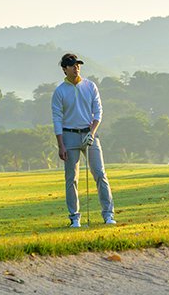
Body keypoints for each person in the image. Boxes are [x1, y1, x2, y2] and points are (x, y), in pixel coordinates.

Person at [52, 53, 115, 227]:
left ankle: (108, 214)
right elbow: (57, 119)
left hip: (90, 134)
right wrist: (61, 145)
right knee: (71, 178)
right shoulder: (59, 91)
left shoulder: (90, 86)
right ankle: (74, 218)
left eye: (78, 65)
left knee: (100, 174)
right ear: (64, 69)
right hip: (69, 136)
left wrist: (92, 132)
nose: (76, 68)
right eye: (72, 66)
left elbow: (98, 112)